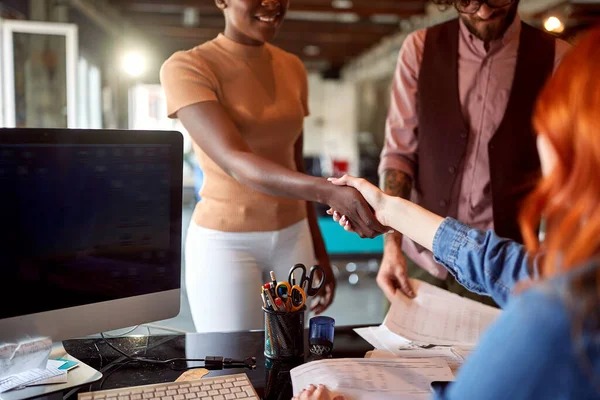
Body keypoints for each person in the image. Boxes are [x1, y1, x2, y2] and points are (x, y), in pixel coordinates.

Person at [299, 26, 600, 400]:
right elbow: (499, 262)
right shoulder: (578, 283)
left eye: (547, 125)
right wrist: (387, 209)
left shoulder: (553, 322)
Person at [159, 0, 387, 332]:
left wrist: (319, 250)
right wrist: (328, 192)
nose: (272, 3)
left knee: (290, 356)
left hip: (294, 236)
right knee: (235, 362)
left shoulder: (292, 66)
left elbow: (293, 164)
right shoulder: (188, 66)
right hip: (226, 242)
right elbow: (237, 162)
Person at [377, 0, 571, 306]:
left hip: (506, 272)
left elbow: (565, 174)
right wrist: (391, 247)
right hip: (422, 263)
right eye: (468, 1)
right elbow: (399, 155)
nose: (483, 12)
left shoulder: (558, 59)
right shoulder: (419, 49)